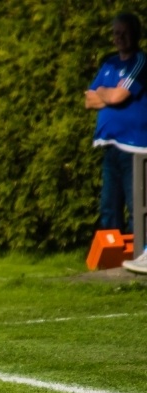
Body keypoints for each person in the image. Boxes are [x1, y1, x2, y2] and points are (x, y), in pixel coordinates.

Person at [86, 13, 147, 242]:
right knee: (109, 207)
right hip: (110, 146)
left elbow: (119, 96)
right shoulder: (109, 64)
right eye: (116, 33)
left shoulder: (140, 62)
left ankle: (138, 254)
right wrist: (105, 93)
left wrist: (103, 92)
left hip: (134, 148)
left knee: (136, 206)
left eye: (124, 32)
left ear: (135, 34)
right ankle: (110, 262)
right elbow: (88, 99)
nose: (119, 37)